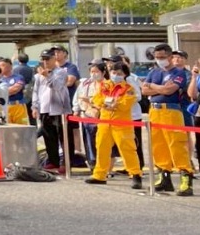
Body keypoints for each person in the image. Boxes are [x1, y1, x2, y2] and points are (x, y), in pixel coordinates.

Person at [141, 43, 193, 196]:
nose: (159, 60)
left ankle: (185, 177)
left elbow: (170, 90)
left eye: (162, 57)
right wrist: (160, 88)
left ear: (170, 57)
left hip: (171, 110)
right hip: (154, 110)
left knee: (176, 145)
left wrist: (152, 86)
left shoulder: (179, 72)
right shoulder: (154, 72)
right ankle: (164, 177)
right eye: (157, 57)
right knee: (158, 145)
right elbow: (144, 90)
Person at [86, 60, 142, 189]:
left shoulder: (129, 89)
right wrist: (106, 104)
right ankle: (99, 175)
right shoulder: (104, 86)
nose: (116, 75)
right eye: (113, 72)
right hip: (105, 123)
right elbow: (97, 99)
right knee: (101, 148)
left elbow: (126, 104)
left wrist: (114, 105)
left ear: (125, 75)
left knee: (127, 149)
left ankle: (135, 174)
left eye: (119, 73)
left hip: (121, 123)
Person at [33, 49, 70, 173]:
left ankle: (66, 162)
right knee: (48, 136)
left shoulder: (61, 72)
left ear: (54, 59)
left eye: (47, 59)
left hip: (60, 109)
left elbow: (57, 86)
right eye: (43, 59)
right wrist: (35, 106)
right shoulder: (39, 75)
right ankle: (53, 161)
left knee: (64, 137)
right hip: (45, 108)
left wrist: (47, 76)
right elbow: (36, 92)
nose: (45, 62)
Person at [74, 60, 106, 168]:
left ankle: (102, 164)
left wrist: (91, 102)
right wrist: (76, 109)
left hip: (102, 116)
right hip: (87, 115)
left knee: (101, 142)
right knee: (88, 140)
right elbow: (77, 97)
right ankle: (92, 162)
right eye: (92, 71)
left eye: (96, 71)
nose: (94, 74)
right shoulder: (85, 84)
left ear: (103, 72)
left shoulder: (107, 85)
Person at [0, 58, 28, 125]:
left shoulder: (18, 77)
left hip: (18, 106)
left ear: (10, 66)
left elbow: (15, 89)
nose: (0, 67)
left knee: (21, 127)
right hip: (4, 107)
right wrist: (5, 91)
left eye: (3, 65)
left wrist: (3, 92)